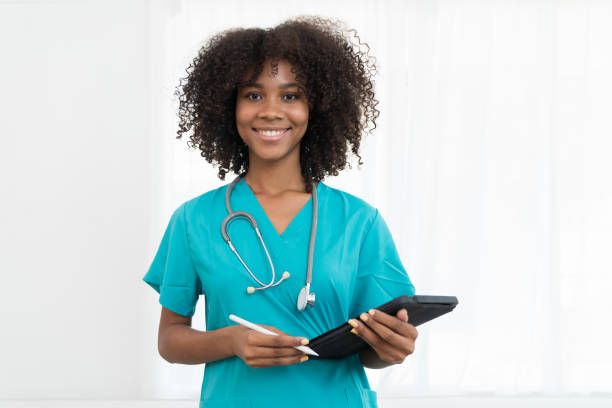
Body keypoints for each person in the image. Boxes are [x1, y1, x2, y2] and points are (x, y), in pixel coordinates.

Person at [143, 16, 418, 408]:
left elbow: (371, 350)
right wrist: (230, 340)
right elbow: (170, 339)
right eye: (254, 95)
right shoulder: (194, 220)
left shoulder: (360, 222)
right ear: (229, 106)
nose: (271, 111)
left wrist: (391, 348)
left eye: (290, 96)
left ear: (317, 107)